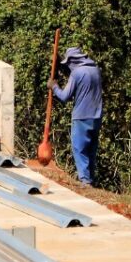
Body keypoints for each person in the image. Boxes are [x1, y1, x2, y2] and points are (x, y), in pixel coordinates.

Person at [48, 47, 103, 186]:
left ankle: (85, 180)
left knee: (79, 148)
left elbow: (65, 96)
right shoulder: (95, 70)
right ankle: (91, 179)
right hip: (96, 116)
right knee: (91, 149)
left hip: (81, 116)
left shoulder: (77, 73)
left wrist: (54, 87)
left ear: (73, 60)